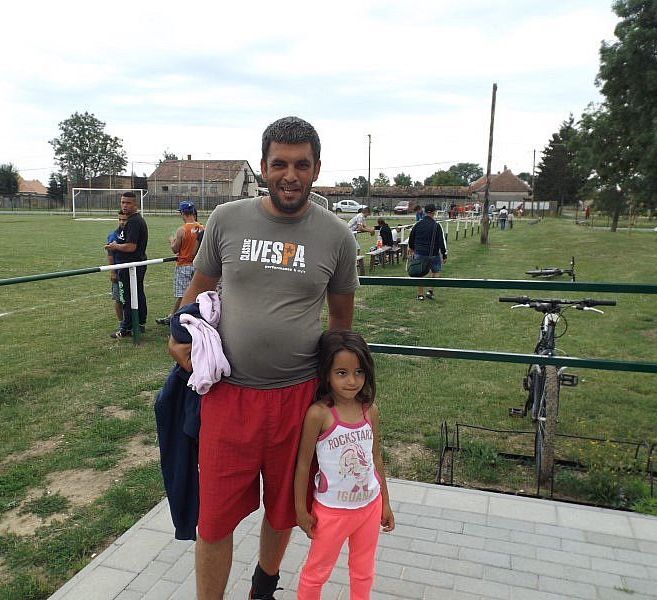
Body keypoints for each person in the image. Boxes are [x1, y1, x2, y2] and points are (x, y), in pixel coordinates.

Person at [167, 116, 359, 600]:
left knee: (283, 509)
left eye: (301, 165)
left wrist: (343, 397)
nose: (290, 175)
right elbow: (197, 290)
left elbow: (341, 325)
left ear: (317, 169)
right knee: (214, 519)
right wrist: (178, 335)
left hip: (297, 399)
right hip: (227, 396)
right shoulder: (226, 219)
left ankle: (263, 586)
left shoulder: (337, 236)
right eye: (280, 164)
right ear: (263, 166)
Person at [294, 329, 394, 599]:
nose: (352, 381)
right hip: (331, 513)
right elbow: (303, 465)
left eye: (359, 372)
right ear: (326, 373)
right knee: (316, 573)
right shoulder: (318, 414)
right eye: (342, 373)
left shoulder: (370, 411)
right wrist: (300, 510)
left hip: (369, 508)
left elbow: (375, 457)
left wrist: (385, 502)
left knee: (363, 571)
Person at [104, 191, 148, 338]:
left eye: (128, 203)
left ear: (135, 204)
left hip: (131, 266)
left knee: (128, 297)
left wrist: (114, 246)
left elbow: (131, 247)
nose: (124, 205)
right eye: (123, 202)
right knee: (137, 295)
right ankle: (139, 324)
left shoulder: (134, 221)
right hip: (134, 265)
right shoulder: (132, 220)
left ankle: (127, 328)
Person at [156, 200, 204, 326]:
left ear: (182, 213)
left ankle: (175, 318)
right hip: (197, 265)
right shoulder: (201, 227)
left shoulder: (182, 230)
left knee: (183, 295)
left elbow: (175, 249)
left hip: (183, 265)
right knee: (195, 293)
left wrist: (172, 241)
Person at [407, 203, 447, 301]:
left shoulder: (417, 224)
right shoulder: (437, 225)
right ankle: (430, 291)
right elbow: (441, 241)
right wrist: (444, 254)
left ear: (425, 212)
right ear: (434, 212)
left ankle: (420, 295)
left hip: (419, 252)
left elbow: (411, 237)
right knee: (436, 272)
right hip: (433, 253)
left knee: (419, 273)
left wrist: (411, 248)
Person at [106, 211, 127, 331]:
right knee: (118, 299)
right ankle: (121, 323)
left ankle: (133, 322)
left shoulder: (131, 234)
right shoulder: (113, 235)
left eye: (124, 220)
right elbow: (110, 254)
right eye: (120, 219)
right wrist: (112, 271)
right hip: (118, 272)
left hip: (129, 271)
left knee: (129, 298)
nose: (122, 222)